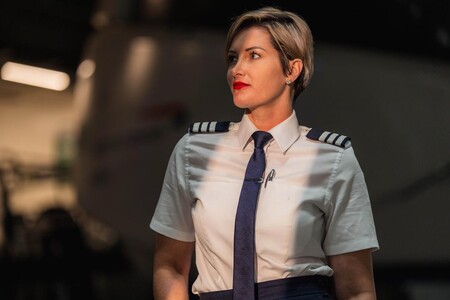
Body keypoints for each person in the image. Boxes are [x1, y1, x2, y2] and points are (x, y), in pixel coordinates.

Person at [150, 6, 379, 300]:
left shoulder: (333, 158)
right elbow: (169, 266)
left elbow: (357, 289)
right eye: (233, 58)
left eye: (253, 55)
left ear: (292, 70)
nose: (236, 70)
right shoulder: (193, 150)